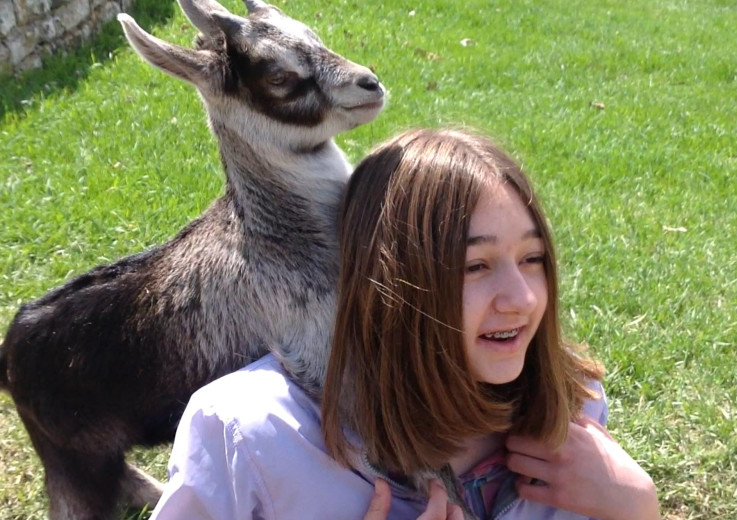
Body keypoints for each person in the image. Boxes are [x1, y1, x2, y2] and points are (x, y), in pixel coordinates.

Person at [149, 128, 659, 520]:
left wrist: (638, 507)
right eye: (474, 266)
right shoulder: (250, 438)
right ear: (389, 284)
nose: (522, 298)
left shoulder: (573, 413)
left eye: (533, 259)